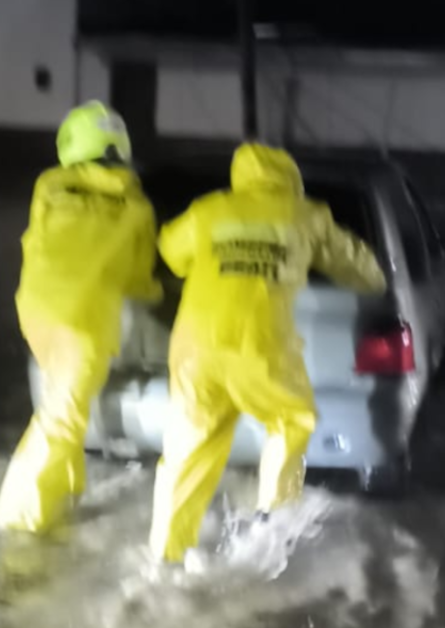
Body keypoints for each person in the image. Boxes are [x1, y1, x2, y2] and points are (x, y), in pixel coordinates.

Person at [149, 143, 388, 565]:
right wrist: (374, 279)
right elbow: (363, 273)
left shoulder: (210, 210)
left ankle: (165, 555)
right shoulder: (307, 216)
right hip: (259, 345)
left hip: (194, 347)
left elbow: (170, 252)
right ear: (290, 180)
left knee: (189, 448)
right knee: (290, 419)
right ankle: (270, 524)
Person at [0, 101, 163, 535]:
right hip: (86, 325)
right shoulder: (137, 207)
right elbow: (139, 280)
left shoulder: (49, 186)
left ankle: (64, 501)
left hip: (36, 312)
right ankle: (20, 528)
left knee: (60, 408)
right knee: (61, 420)